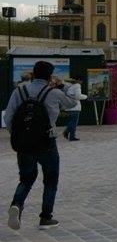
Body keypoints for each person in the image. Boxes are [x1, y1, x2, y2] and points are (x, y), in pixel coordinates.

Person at [5, 60, 78, 230]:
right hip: (47, 142)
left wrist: (18, 135)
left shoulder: (19, 91)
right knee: (50, 180)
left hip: (24, 143)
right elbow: (72, 103)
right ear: (50, 76)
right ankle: (45, 218)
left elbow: (8, 116)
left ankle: (16, 204)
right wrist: (63, 85)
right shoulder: (53, 92)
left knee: (26, 179)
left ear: (33, 73)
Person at [62, 76, 87, 141]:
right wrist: (86, 96)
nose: (81, 82)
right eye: (81, 81)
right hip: (75, 106)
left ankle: (70, 134)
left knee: (71, 121)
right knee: (73, 122)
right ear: (78, 80)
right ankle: (70, 135)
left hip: (68, 106)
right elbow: (78, 96)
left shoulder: (68, 86)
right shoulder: (77, 86)